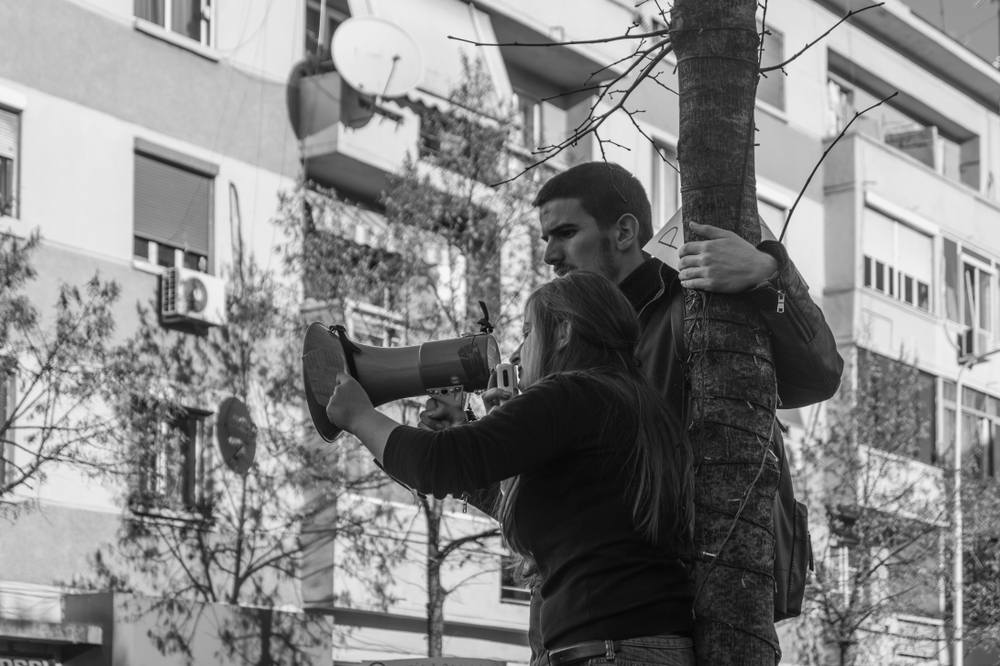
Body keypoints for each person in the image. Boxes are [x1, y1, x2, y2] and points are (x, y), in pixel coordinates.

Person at [423, 161, 845, 662]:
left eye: (565, 233)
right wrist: (478, 447)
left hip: (671, 619)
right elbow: (568, 509)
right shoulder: (553, 346)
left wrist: (768, 275)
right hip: (567, 634)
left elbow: (820, 373)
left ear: (624, 231)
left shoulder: (692, 302)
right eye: (544, 238)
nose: (550, 256)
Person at [327, 271, 698, 666]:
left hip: (607, 650)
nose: (518, 353)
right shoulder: (637, 404)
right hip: (644, 646)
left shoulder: (572, 393)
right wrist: (466, 436)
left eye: (528, 333)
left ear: (564, 332)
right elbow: (566, 513)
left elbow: (438, 463)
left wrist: (359, 416)